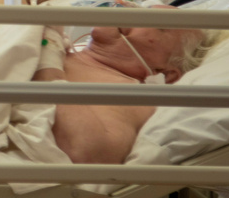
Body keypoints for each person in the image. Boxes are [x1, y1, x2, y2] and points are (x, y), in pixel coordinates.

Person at [34, 14, 213, 164]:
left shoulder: (131, 96)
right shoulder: (62, 48)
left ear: (166, 73)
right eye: (143, 11)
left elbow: (87, 152)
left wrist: (48, 60)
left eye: (159, 26)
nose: (131, 14)